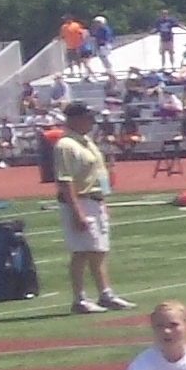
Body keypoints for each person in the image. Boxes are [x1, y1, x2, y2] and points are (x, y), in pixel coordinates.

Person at [52, 103, 124, 312]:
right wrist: (77, 212)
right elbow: (65, 181)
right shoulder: (66, 145)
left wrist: (102, 200)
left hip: (94, 199)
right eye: (87, 118)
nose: (91, 122)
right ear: (74, 119)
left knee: (98, 250)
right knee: (81, 252)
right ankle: (79, 298)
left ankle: (105, 293)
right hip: (80, 200)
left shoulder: (86, 142)